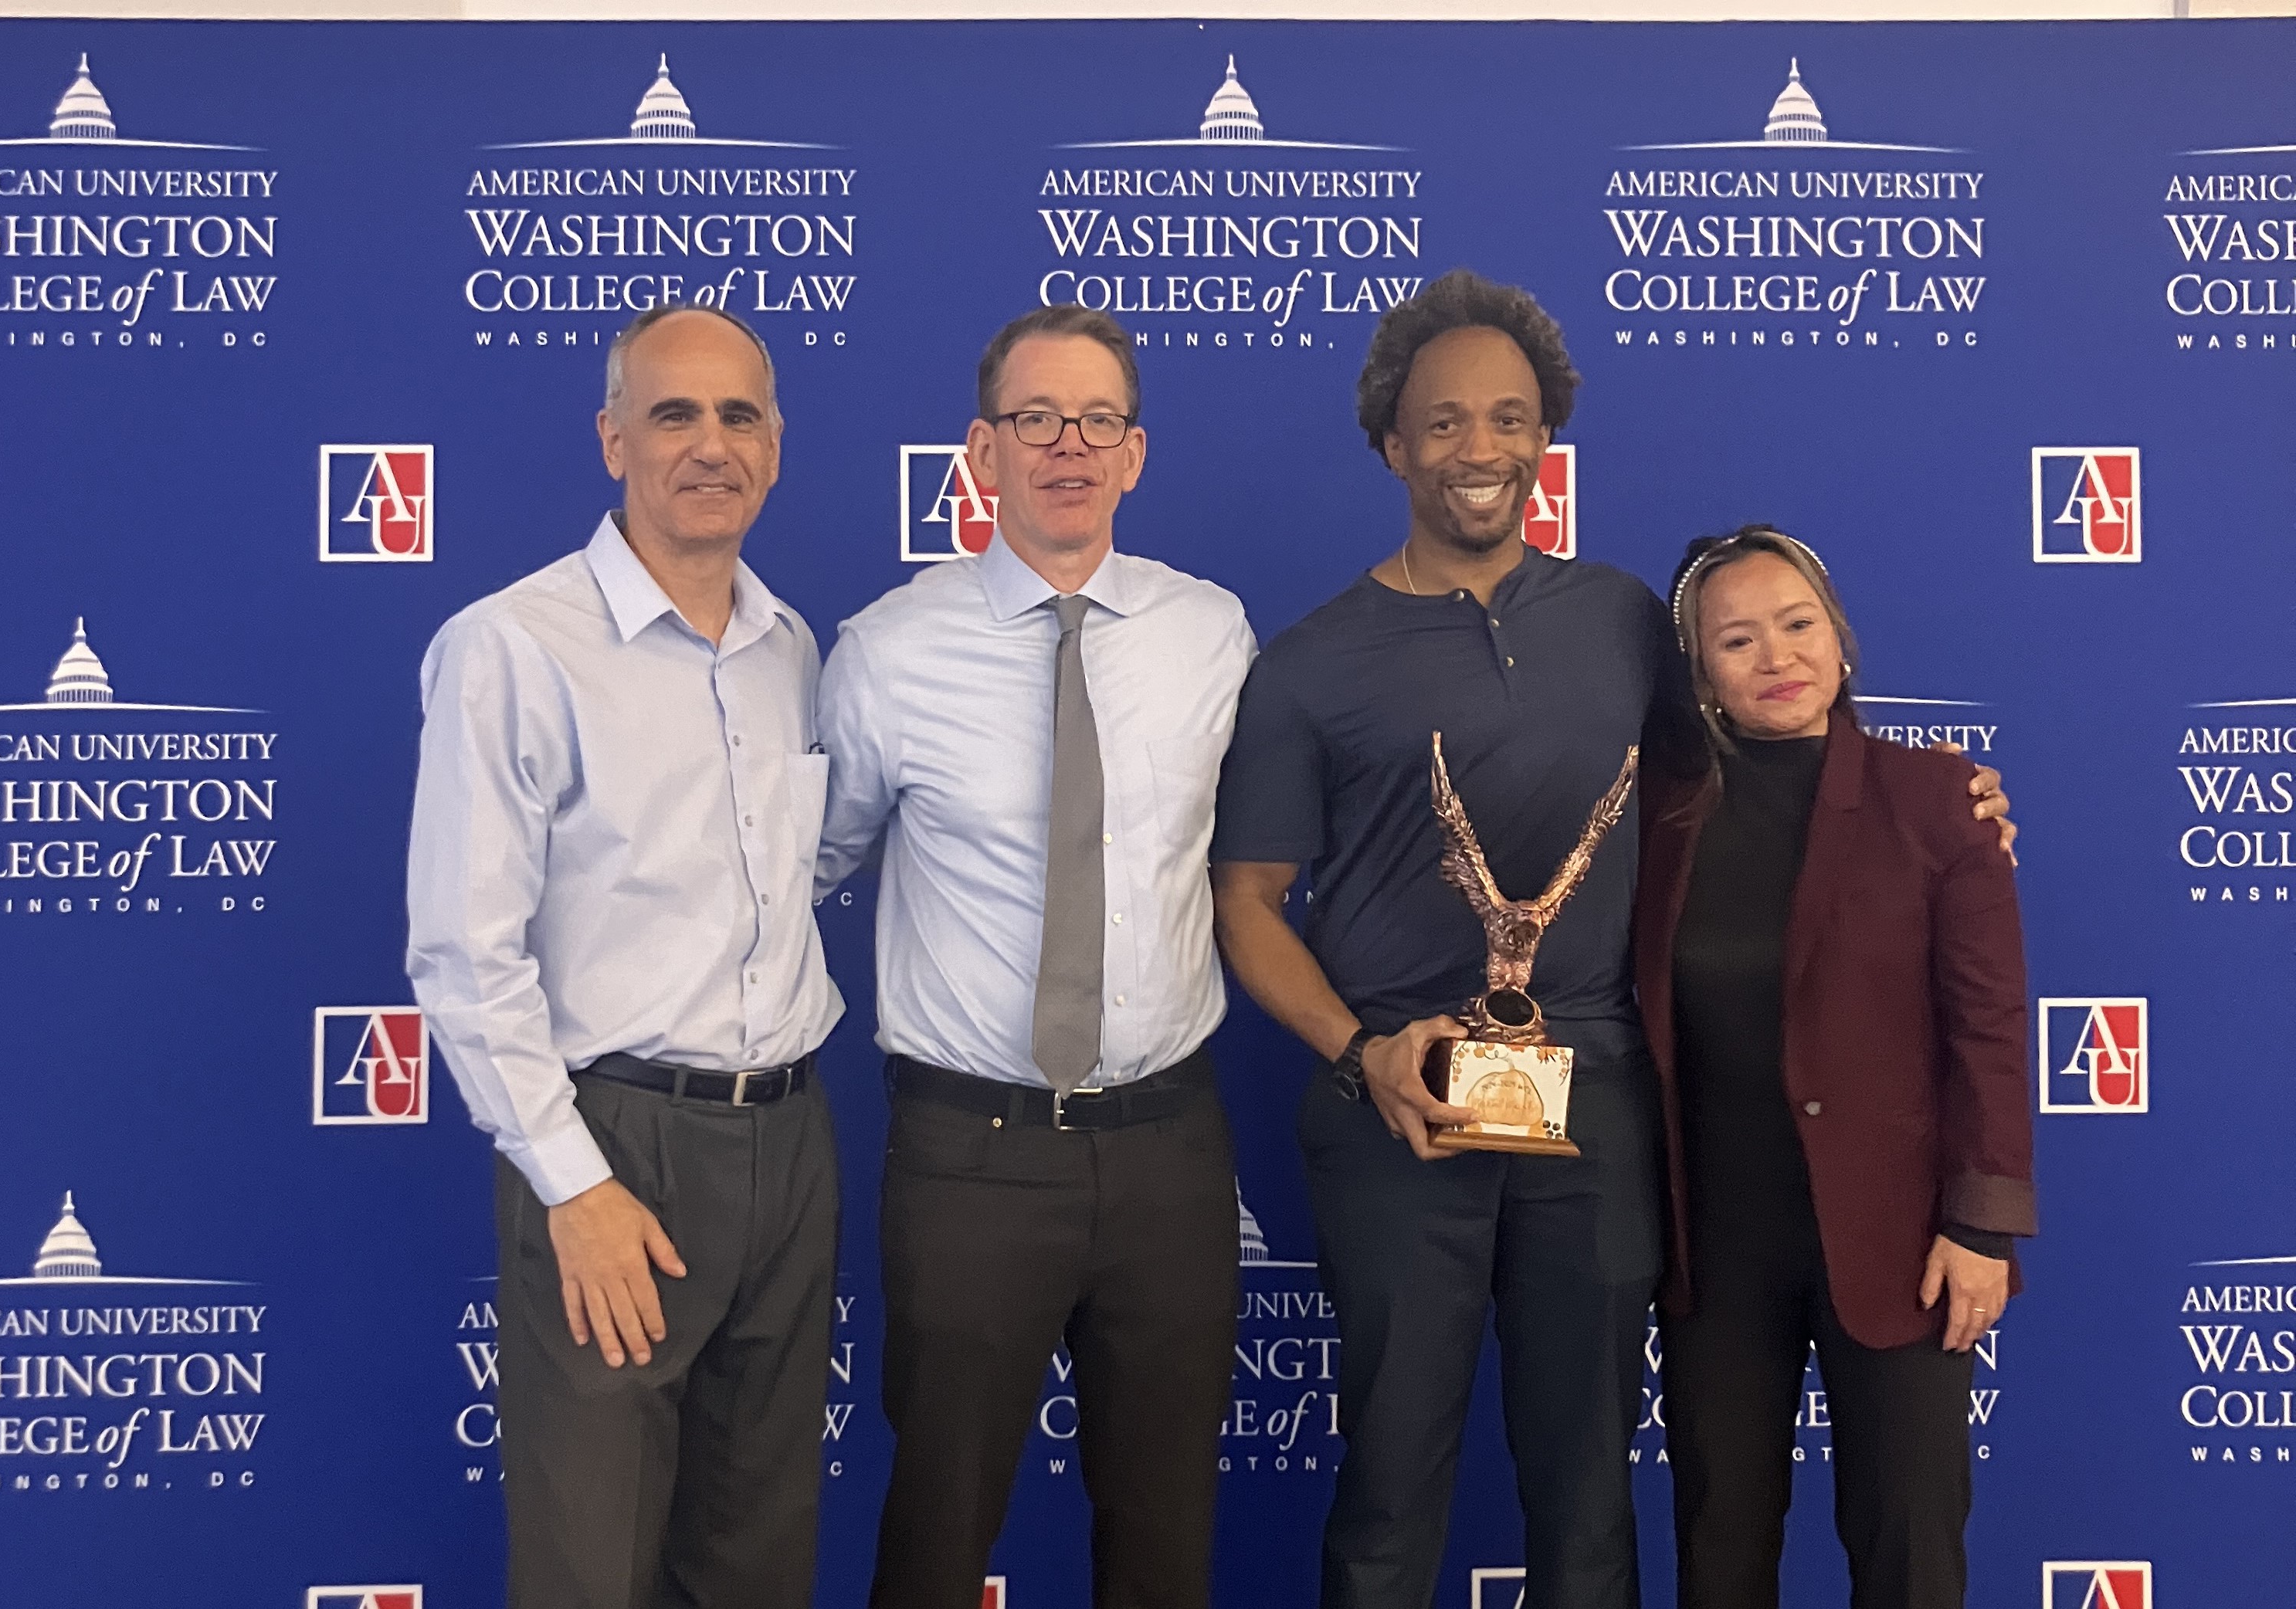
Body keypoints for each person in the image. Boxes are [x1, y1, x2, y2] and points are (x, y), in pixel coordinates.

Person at [1209, 269, 2013, 1609]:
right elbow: (1245, 903)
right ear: (1391, 442)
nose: (1483, 450)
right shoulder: (1306, 665)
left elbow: (1770, 774)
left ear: (1546, 438)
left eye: (1512, 419)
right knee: (1391, 1486)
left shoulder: (1630, 621)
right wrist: (1363, 1053)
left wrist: (1953, 805)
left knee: (1592, 1493)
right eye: (1448, 422)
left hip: (1604, 1108)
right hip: (1398, 1107)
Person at [816, 303, 1257, 1609]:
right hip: (970, 1158)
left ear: (1134, 455)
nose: (1067, 445)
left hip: (1171, 1150)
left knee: (1166, 1530)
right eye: (1035, 420)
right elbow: (802, 871)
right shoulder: (884, 655)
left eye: (1098, 421)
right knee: (941, 1529)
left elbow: (1261, 864)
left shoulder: (1211, 636)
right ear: (981, 451)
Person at [407, 303, 839, 1609]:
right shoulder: (514, 649)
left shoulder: (792, 648)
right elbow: (462, 951)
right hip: (615, 1153)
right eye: (673, 414)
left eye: (739, 415)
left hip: (789, 1144)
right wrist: (572, 1185)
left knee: (756, 1561)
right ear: (612, 442)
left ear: (776, 443)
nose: (711, 445)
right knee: (593, 1567)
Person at [1636, 527, 2035, 1609]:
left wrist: (1982, 1224)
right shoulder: (1654, 821)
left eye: (1798, 624)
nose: (1777, 658)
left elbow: (1992, 1028)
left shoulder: (1941, 801)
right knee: (1720, 1552)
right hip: (1716, 1254)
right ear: (1700, 675)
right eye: (1738, 640)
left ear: (1842, 639)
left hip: (1904, 1244)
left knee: (1908, 1550)